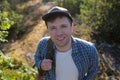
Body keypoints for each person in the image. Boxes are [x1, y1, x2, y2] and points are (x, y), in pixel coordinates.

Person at [34, 6, 98, 80]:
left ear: (71, 28)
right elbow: (37, 57)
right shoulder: (43, 44)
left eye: (63, 26)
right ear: (48, 30)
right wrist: (41, 64)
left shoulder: (89, 50)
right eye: (53, 28)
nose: (59, 33)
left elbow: (93, 72)